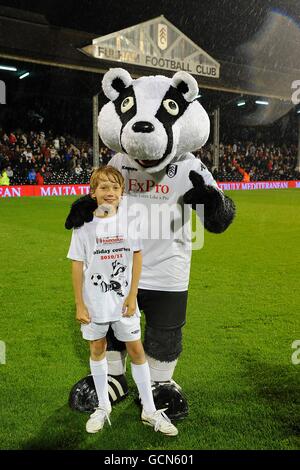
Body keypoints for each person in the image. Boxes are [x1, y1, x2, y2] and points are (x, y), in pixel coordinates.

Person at [67, 166, 178, 436]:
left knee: (137, 351)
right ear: (93, 192)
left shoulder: (128, 221)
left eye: (115, 187)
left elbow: (137, 256)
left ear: (122, 193)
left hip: (123, 302)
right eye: (103, 187)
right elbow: (76, 264)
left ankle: (149, 411)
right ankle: (103, 406)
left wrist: (132, 295)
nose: (110, 192)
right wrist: (80, 304)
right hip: (94, 302)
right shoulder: (83, 226)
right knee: (97, 348)